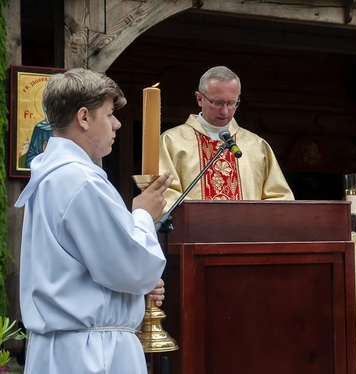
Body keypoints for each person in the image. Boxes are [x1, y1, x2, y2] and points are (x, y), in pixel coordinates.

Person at [15, 68, 174, 373]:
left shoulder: (52, 174)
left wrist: (135, 289)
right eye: (110, 113)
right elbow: (134, 268)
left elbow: (92, 265)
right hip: (92, 354)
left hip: (67, 348)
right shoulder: (81, 180)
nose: (116, 124)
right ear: (84, 117)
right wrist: (142, 213)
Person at [159, 66, 294, 208]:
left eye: (231, 103)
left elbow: (281, 198)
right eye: (218, 103)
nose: (225, 111)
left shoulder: (257, 145)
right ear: (199, 99)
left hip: (246, 230)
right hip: (196, 229)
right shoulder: (172, 141)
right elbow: (163, 195)